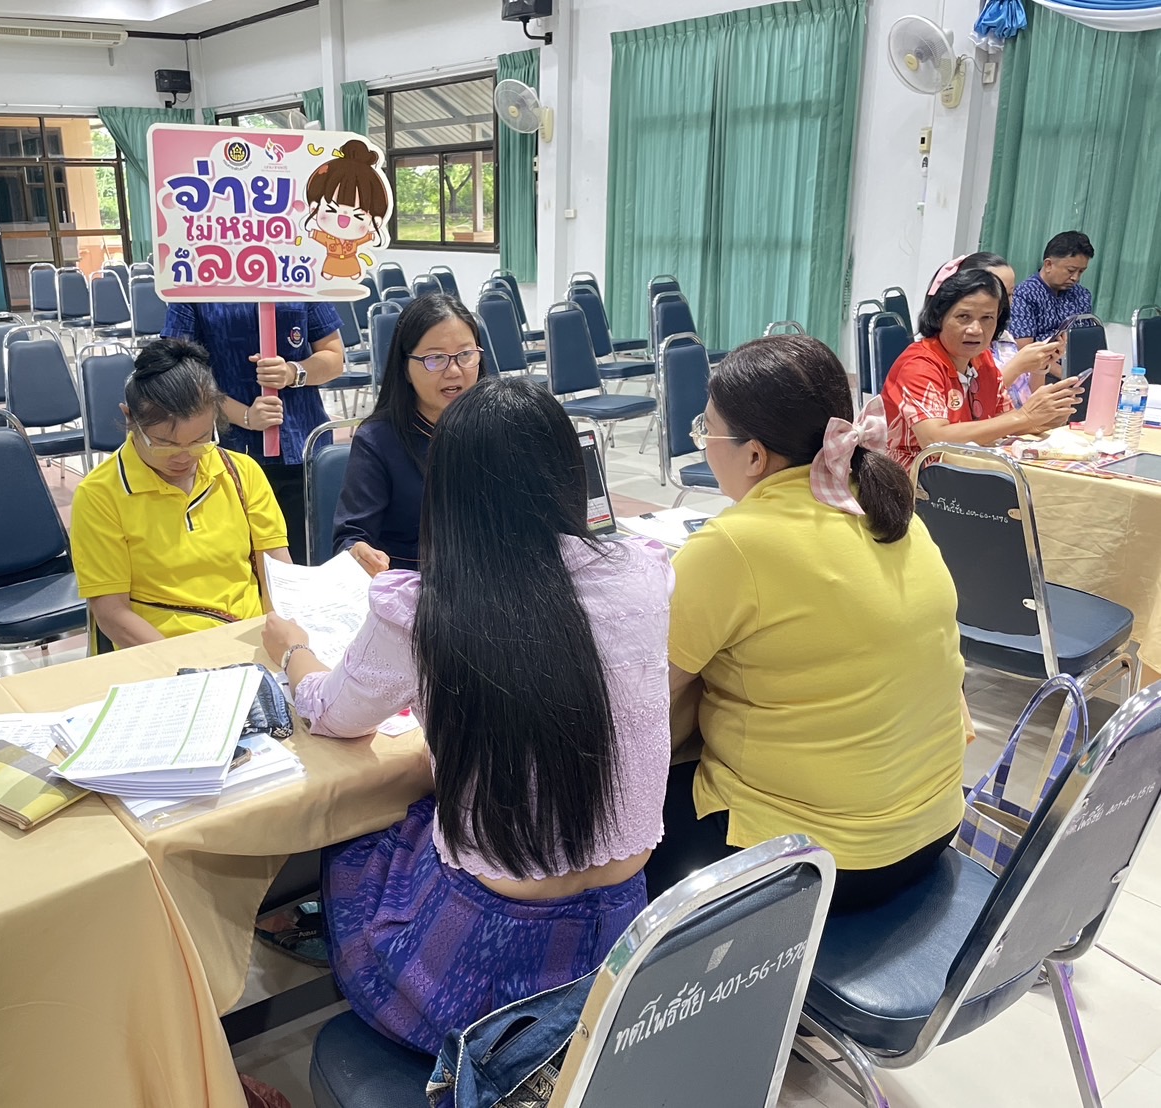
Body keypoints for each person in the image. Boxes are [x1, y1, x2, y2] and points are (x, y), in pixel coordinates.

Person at [262, 376, 672, 1054]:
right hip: (618, 949)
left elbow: (333, 714)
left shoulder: (425, 610)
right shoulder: (644, 575)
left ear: (445, 490)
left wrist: (294, 649)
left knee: (357, 848)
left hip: (476, 977)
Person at [644, 335, 965, 913]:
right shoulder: (891, 510)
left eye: (707, 429)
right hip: (931, 831)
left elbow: (638, 696)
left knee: (607, 823)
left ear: (754, 456)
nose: (703, 443)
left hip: (813, 867)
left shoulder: (736, 544)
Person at [70, 338, 290, 648]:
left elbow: (278, 575)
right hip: (160, 654)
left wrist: (282, 646)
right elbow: (112, 613)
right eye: (165, 444)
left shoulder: (241, 472)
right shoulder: (100, 495)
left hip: (249, 641)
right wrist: (184, 667)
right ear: (130, 418)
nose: (184, 457)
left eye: (200, 440)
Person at [163, 300, 346, 564]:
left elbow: (334, 356)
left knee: (306, 560)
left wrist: (293, 372)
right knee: (239, 564)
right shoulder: (197, 278)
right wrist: (245, 416)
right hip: (228, 455)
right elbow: (178, 372)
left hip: (302, 449)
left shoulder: (298, 273)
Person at [332, 294, 483, 574]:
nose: (454, 370)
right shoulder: (378, 440)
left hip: (493, 585)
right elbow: (351, 539)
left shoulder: (497, 426)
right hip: (412, 590)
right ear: (406, 368)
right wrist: (359, 553)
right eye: (435, 358)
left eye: (465, 355)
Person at [880, 265, 1083, 469]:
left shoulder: (982, 358)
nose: (976, 330)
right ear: (939, 317)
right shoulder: (919, 365)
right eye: (963, 317)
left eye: (987, 318)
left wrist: (1050, 414)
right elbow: (935, 440)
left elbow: (1003, 422)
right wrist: (1024, 417)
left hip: (966, 468)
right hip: (914, 481)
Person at [940, 252, 1063, 406]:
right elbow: (970, 403)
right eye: (997, 293)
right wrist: (1018, 366)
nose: (1007, 302)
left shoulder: (1005, 338)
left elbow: (1028, 397)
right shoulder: (960, 343)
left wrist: (1040, 366)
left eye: (1010, 294)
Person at [304, 140, 389, 282]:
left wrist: (371, 236)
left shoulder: (356, 240)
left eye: (358, 215)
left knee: (352, 269)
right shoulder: (328, 237)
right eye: (331, 209)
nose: (344, 218)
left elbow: (365, 238)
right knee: (330, 269)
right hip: (330, 264)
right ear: (314, 207)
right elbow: (316, 236)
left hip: (352, 264)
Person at [1010, 230, 1096, 348]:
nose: (1075, 278)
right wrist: (1061, 367)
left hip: (1076, 362)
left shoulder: (1081, 295)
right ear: (1048, 265)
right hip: (1039, 364)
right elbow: (1024, 350)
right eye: (1070, 270)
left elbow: (1087, 342)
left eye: (1081, 271)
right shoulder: (1024, 295)